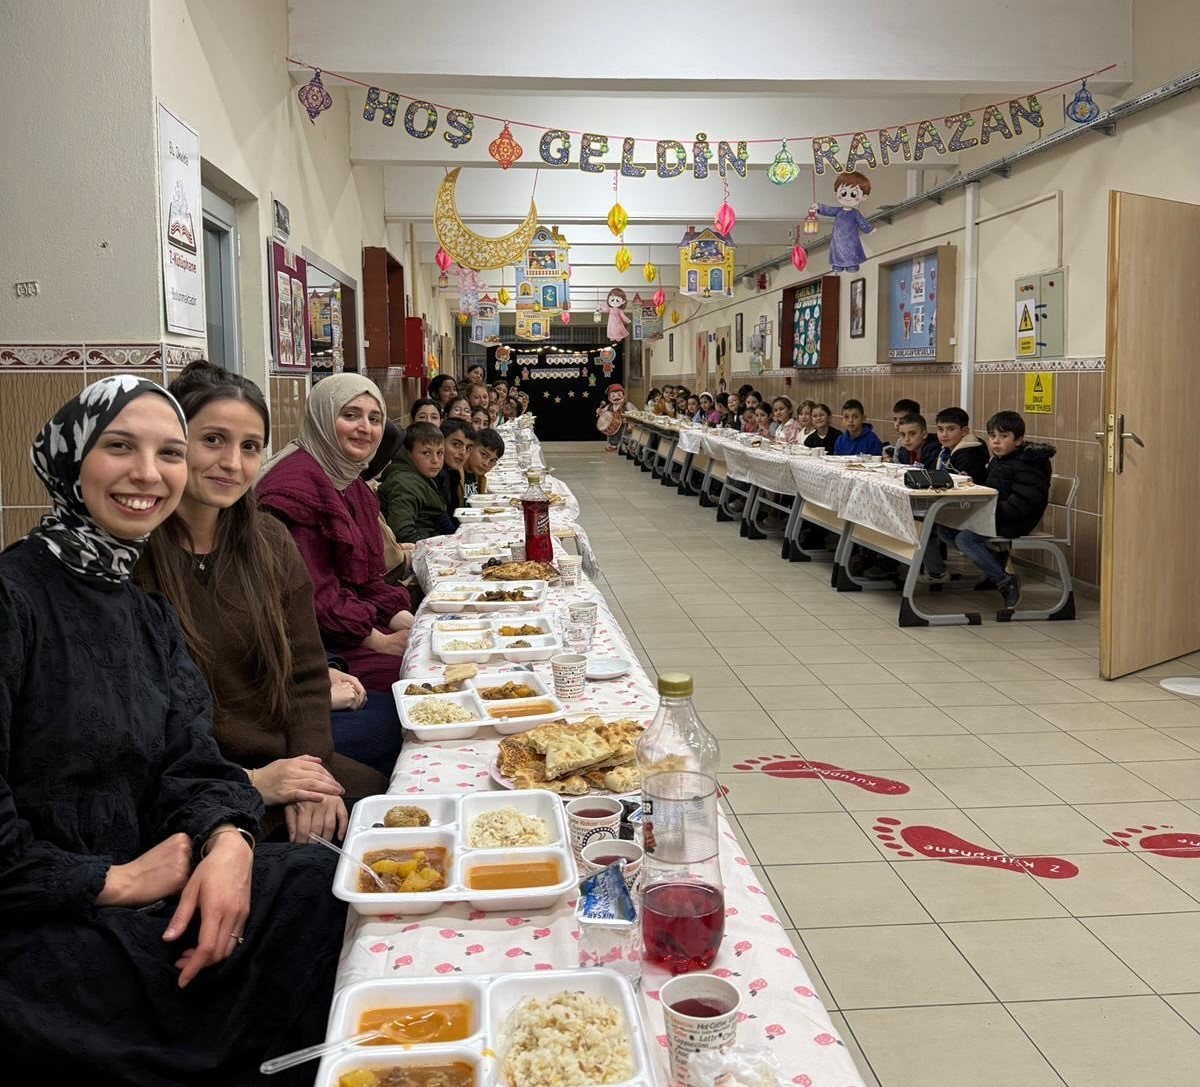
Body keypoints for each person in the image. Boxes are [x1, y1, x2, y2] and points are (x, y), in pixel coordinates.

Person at [0, 374, 346, 1083]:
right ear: (68, 459)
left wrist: (229, 844)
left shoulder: (144, 614)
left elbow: (193, 762)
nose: (148, 474)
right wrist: (111, 880)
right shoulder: (16, 599)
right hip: (45, 913)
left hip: (163, 878)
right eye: (120, 447)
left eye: (169, 453)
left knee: (322, 884)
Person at [136, 362, 387, 843]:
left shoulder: (267, 540)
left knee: (387, 804)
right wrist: (254, 785)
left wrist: (309, 773)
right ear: (174, 444)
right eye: (213, 440)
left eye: (249, 447)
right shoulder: (140, 558)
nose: (232, 462)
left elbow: (306, 671)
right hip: (203, 784)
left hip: (287, 752)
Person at [256, 374, 413, 694]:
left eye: (374, 418)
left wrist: (410, 624)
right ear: (323, 418)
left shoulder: (346, 478)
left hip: (344, 627)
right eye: (350, 415)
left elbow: (369, 579)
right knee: (414, 679)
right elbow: (315, 596)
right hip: (308, 644)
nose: (365, 428)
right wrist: (380, 640)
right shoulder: (294, 489)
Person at [922, 411, 1055, 609]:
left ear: (1019, 440)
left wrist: (983, 513)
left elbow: (1021, 504)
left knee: (965, 539)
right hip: (995, 515)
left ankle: (1004, 581)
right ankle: (995, 561)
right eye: (992, 436)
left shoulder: (1029, 464)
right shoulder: (1000, 460)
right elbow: (991, 488)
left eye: (1003, 436)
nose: (996, 442)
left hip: (1016, 520)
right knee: (946, 529)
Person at [377, 422, 454, 545]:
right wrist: (437, 547)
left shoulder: (420, 474)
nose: (435, 460)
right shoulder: (404, 483)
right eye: (426, 453)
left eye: (439, 453)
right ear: (408, 453)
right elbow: (402, 532)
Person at [933, 406, 989, 483]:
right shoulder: (945, 450)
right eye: (940, 429)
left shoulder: (970, 455)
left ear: (964, 431)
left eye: (951, 429)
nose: (944, 435)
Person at [437, 418, 476, 516]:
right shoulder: (436, 476)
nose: (463, 453)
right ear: (440, 442)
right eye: (456, 445)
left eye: (468, 448)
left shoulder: (454, 474)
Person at [464, 428, 505, 497]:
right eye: (483, 455)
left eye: (492, 461)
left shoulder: (479, 478)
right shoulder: (455, 476)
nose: (486, 463)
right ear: (470, 447)